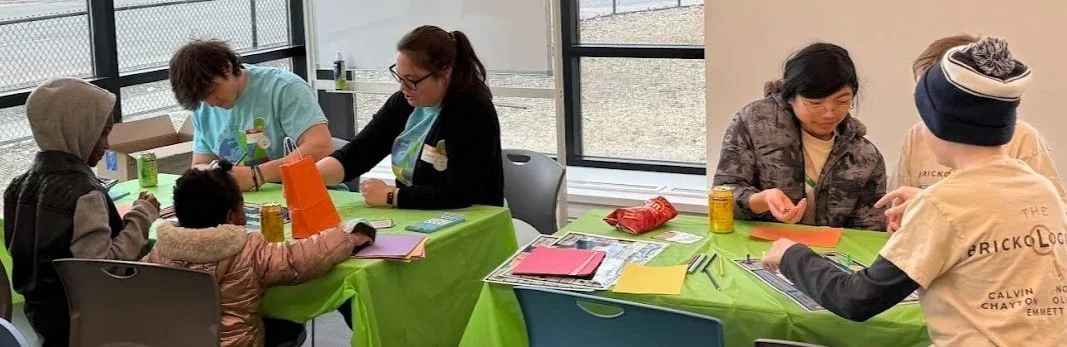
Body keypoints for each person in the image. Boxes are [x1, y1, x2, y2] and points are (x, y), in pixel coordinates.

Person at [762, 37, 1067, 346]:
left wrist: (791, 255)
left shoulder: (942, 205)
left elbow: (856, 298)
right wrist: (926, 203)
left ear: (938, 123)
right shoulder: (1042, 189)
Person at [142, 160, 375, 347]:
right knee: (287, 326)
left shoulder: (158, 252)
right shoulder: (247, 251)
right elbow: (300, 258)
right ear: (231, 216)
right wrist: (347, 236)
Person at [3, 77, 160, 346]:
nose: (107, 145)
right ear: (76, 131)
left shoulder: (16, 187)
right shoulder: (85, 195)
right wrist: (142, 216)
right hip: (90, 326)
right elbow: (107, 270)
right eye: (102, 133)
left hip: (43, 322)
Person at [882, 33, 1067, 232]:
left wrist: (931, 205)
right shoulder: (917, 135)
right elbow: (896, 208)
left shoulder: (1024, 138)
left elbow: (1053, 217)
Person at [316, 25, 503, 210]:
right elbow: (359, 153)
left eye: (412, 80)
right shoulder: (404, 103)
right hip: (417, 213)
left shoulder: (473, 111)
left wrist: (391, 196)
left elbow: (459, 193)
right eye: (400, 77)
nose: (403, 88)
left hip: (471, 216)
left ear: (445, 71)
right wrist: (307, 176)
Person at [712, 43, 886, 231]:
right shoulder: (756, 123)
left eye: (842, 101)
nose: (829, 113)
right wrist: (761, 200)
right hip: (758, 245)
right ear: (790, 96)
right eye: (815, 104)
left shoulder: (865, 156)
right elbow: (724, 192)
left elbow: (870, 229)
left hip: (828, 250)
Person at [169, 39, 333, 192]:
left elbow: (321, 147)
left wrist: (257, 175)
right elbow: (200, 164)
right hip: (245, 199)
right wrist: (213, 173)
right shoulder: (203, 108)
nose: (211, 102)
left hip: (307, 192)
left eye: (212, 90)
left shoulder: (284, 88)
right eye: (202, 98)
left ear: (227, 68)